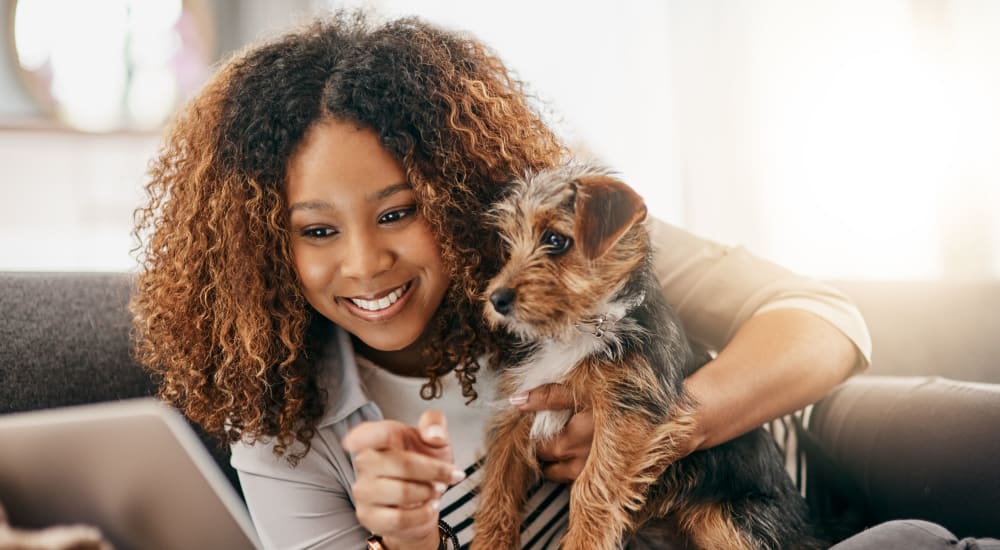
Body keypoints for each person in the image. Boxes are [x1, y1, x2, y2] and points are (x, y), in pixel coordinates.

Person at [129, 11, 993, 550]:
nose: (362, 264)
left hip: (780, 498)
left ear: (457, 190)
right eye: (316, 232)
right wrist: (409, 540)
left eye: (398, 212)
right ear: (259, 249)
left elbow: (827, 321)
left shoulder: (571, 246)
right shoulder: (288, 432)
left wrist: (659, 425)